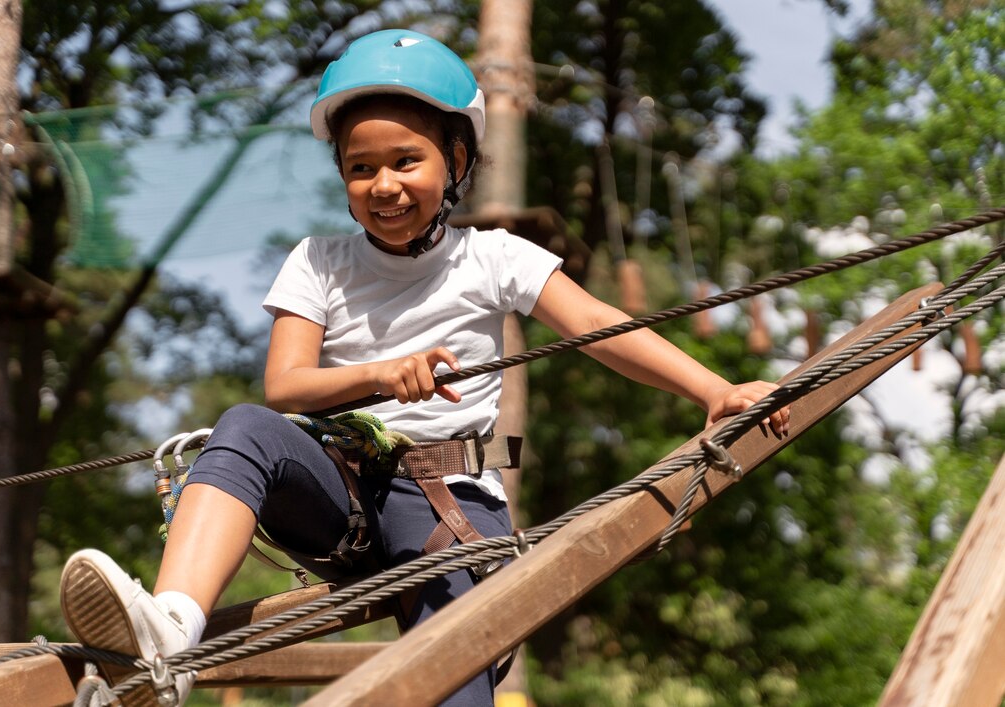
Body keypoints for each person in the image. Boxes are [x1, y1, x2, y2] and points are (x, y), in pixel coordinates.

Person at [59, 29, 790, 706]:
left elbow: (597, 324)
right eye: (361, 168)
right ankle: (170, 633)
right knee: (247, 427)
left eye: (406, 161)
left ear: (457, 162)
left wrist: (716, 388)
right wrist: (384, 372)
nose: (384, 185)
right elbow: (285, 385)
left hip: (447, 503)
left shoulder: (495, 256)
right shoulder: (319, 262)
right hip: (338, 492)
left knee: (456, 678)